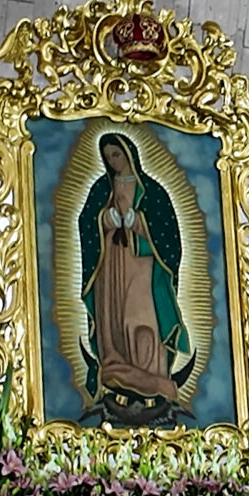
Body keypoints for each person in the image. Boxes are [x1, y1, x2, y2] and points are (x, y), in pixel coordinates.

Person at [77, 133, 192, 415]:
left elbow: (168, 233)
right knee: (114, 320)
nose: (113, 161)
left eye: (116, 154)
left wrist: (139, 222)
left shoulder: (152, 191)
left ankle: (153, 378)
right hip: (111, 266)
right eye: (108, 157)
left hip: (142, 265)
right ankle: (116, 371)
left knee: (141, 320)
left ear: (129, 154)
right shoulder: (101, 189)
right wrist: (105, 219)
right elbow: (86, 222)